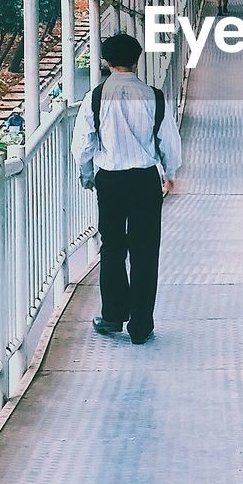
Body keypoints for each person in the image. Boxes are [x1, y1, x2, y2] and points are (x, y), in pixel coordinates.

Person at [71, 32, 181, 345]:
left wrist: (87, 174)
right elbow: (168, 141)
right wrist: (169, 173)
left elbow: (82, 145)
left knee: (113, 246)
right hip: (145, 179)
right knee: (146, 250)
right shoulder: (154, 96)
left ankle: (113, 316)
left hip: (110, 179)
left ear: (105, 61)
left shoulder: (95, 97)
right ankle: (141, 325)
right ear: (137, 59)